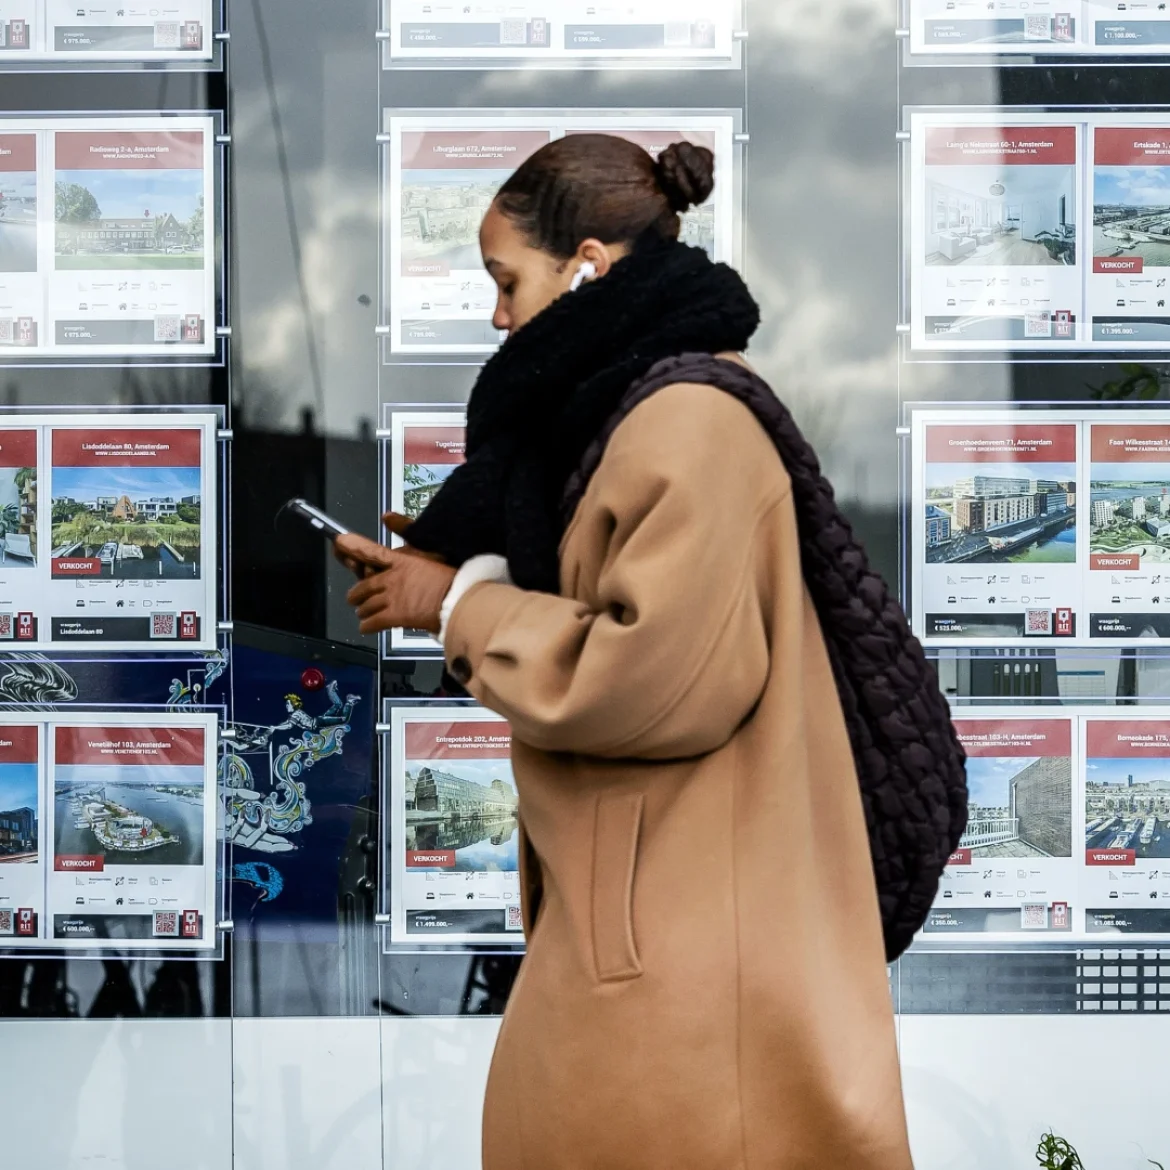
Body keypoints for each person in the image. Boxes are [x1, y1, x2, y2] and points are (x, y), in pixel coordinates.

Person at [337, 135, 914, 1170]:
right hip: (677, 947)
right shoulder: (637, 413)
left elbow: (652, 677)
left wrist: (461, 601)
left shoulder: (684, 423)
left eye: (507, 281)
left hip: (690, 972)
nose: (498, 315)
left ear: (589, 263)